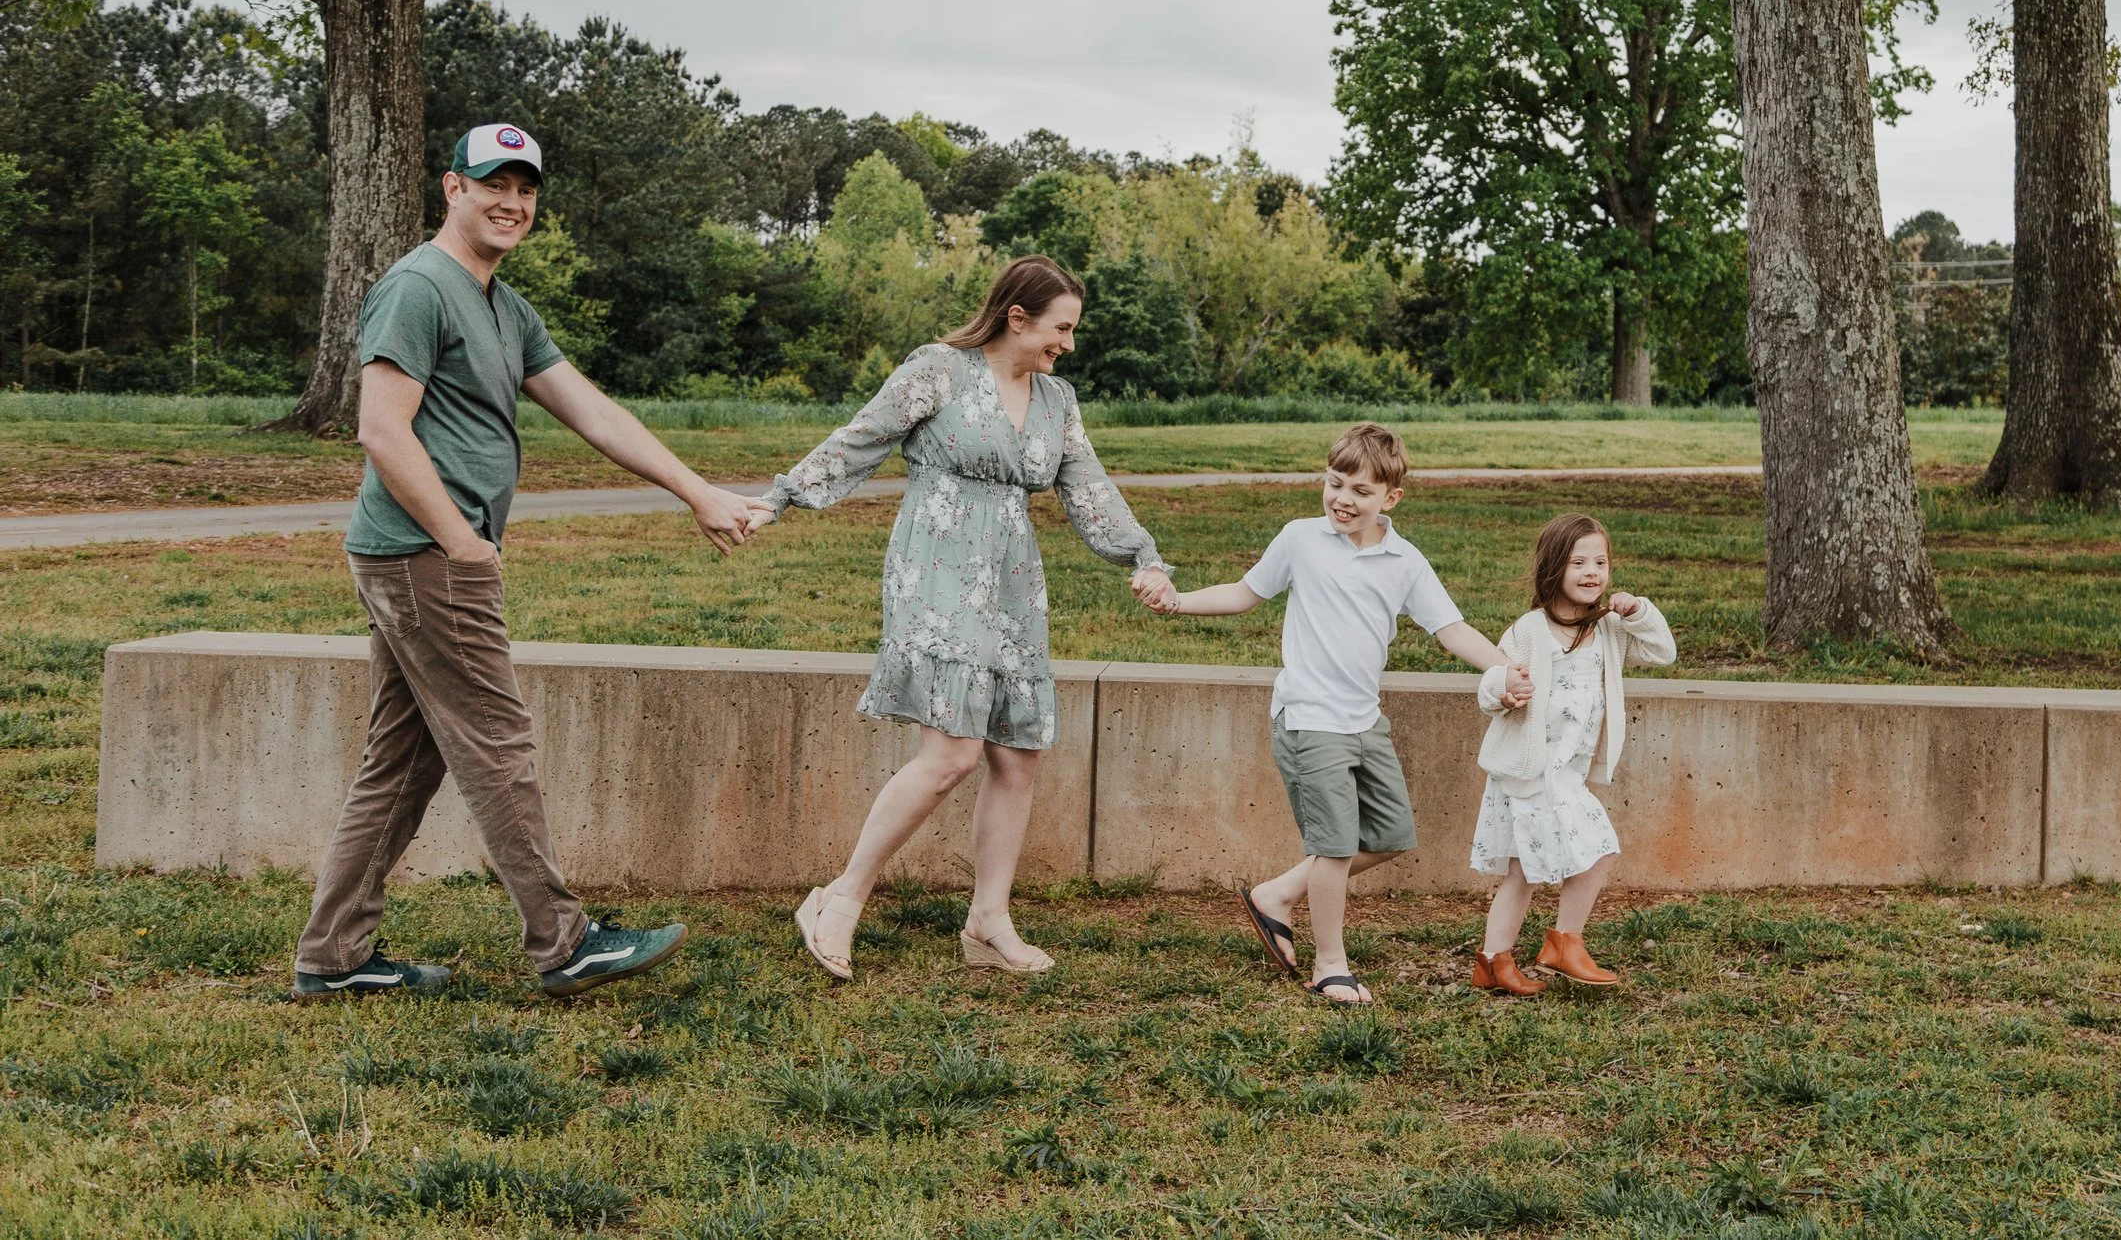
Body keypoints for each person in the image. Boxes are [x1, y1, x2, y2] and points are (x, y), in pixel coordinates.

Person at [292, 123, 757, 1003]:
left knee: (403, 760)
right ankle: (564, 941)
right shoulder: (417, 287)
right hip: (428, 556)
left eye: (526, 189)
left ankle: (333, 957)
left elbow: (594, 412)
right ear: (451, 188)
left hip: (421, 557)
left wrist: (696, 489)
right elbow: (381, 430)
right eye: (492, 184)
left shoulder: (502, 305)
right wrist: (464, 544)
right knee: (497, 742)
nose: (512, 203)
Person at [760, 255, 1176, 983]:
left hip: (1013, 582)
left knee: (1018, 755)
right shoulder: (940, 369)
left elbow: (1091, 491)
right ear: (1018, 317)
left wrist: (1143, 556)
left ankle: (989, 921)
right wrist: (782, 496)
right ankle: (840, 896)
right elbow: (861, 438)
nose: (1068, 345)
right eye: (1061, 328)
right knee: (951, 754)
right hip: (938, 567)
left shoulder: (1057, 401)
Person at [1144, 422, 1526, 1006]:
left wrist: (1505, 670)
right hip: (1308, 719)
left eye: (1361, 491)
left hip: (1364, 722)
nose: (1344, 499)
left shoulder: (1404, 559)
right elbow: (1246, 593)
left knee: (1392, 835)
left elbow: (1450, 628)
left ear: (1391, 499)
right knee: (1336, 847)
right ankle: (1330, 966)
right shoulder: (1300, 539)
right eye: (1335, 483)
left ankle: (1275, 895)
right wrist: (1179, 601)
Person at [1468, 513, 1677, 995]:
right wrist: (1505, 689)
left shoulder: (1609, 629)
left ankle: (1497, 960)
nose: (1591, 572)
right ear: (1553, 568)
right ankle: (1556, 944)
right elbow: (1488, 686)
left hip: (1566, 773)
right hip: (1529, 770)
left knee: (1529, 871)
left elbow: (1663, 652)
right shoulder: (1529, 629)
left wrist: (1638, 610)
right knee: (1591, 851)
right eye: (1578, 561)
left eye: (1600, 562)